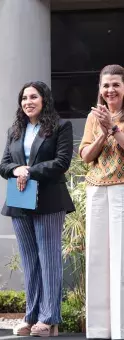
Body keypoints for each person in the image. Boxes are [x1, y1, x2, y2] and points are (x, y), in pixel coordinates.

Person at [0, 81, 74, 337]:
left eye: (33, 97)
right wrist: (16, 170)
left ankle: (49, 318)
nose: (28, 101)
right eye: (24, 98)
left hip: (49, 200)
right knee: (30, 260)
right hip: (19, 201)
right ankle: (31, 316)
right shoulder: (15, 130)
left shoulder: (61, 127)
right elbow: (4, 165)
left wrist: (30, 171)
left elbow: (62, 162)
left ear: (44, 100)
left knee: (49, 259)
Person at [79, 64, 124, 340]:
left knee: (120, 258)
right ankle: (98, 330)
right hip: (96, 189)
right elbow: (85, 156)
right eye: (105, 85)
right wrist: (102, 131)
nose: (110, 90)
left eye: (116, 84)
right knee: (97, 259)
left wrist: (114, 127)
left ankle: (120, 329)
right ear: (99, 89)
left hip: (122, 189)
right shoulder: (93, 117)